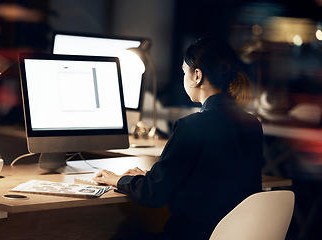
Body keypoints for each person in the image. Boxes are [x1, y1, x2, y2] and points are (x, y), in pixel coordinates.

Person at [93, 36, 263, 240]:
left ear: (197, 76)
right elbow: (214, 183)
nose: (184, 76)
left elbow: (153, 195)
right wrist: (154, 177)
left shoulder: (191, 126)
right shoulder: (253, 124)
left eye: (185, 71)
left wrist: (119, 180)